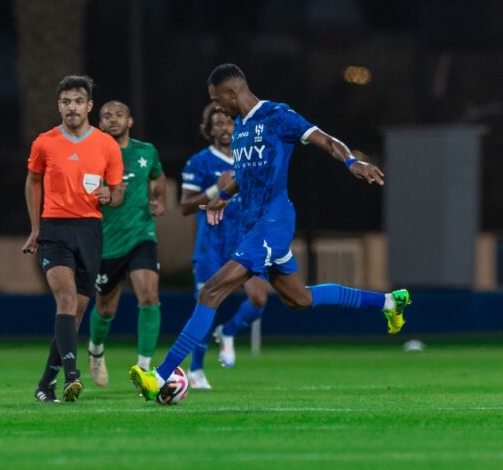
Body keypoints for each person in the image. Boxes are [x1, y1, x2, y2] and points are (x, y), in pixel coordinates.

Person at [129, 63, 412, 401]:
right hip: (254, 225)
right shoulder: (241, 128)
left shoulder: (277, 115)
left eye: (218, 100)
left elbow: (325, 139)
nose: (217, 108)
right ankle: (387, 303)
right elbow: (244, 174)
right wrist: (222, 197)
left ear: (233, 93)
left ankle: (160, 375)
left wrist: (352, 162)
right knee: (299, 298)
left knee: (210, 294)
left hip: (273, 223)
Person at [23, 75, 124, 403]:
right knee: (65, 300)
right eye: (66, 102)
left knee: (78, 310)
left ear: (89, 106)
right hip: (55, 230)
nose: (72, 107)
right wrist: (36, 229)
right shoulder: (45, 142)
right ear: (59, 106)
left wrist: (111, 196)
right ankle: (72, 376)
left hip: (90, 231)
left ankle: (45, 384)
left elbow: (117, 192)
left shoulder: (106, 145)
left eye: (78, 101)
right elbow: (33, 181)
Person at [180, 104, 268, 389]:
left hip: (245, 240)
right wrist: (213, 194)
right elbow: (187, 207)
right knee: (207, 304)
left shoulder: (251, 158)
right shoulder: (199, 163)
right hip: (212, 244)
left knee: (259, 299)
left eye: (229, 122)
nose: (224, 128)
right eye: (218, 123)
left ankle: (228, 332)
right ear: (209, 129)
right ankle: (195, 369)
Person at [86, 100, 166, 387]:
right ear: (99, 124)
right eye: (107, 116)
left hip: (141, 235)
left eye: (119, 115)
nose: (113, 119)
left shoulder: (146, 151)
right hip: (107, 241)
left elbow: (157, 176)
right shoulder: (92, 155)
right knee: (106, 307)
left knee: (149, 296)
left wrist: (159, 200)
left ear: (130, 121)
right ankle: (95, 350)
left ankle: (144, 368)